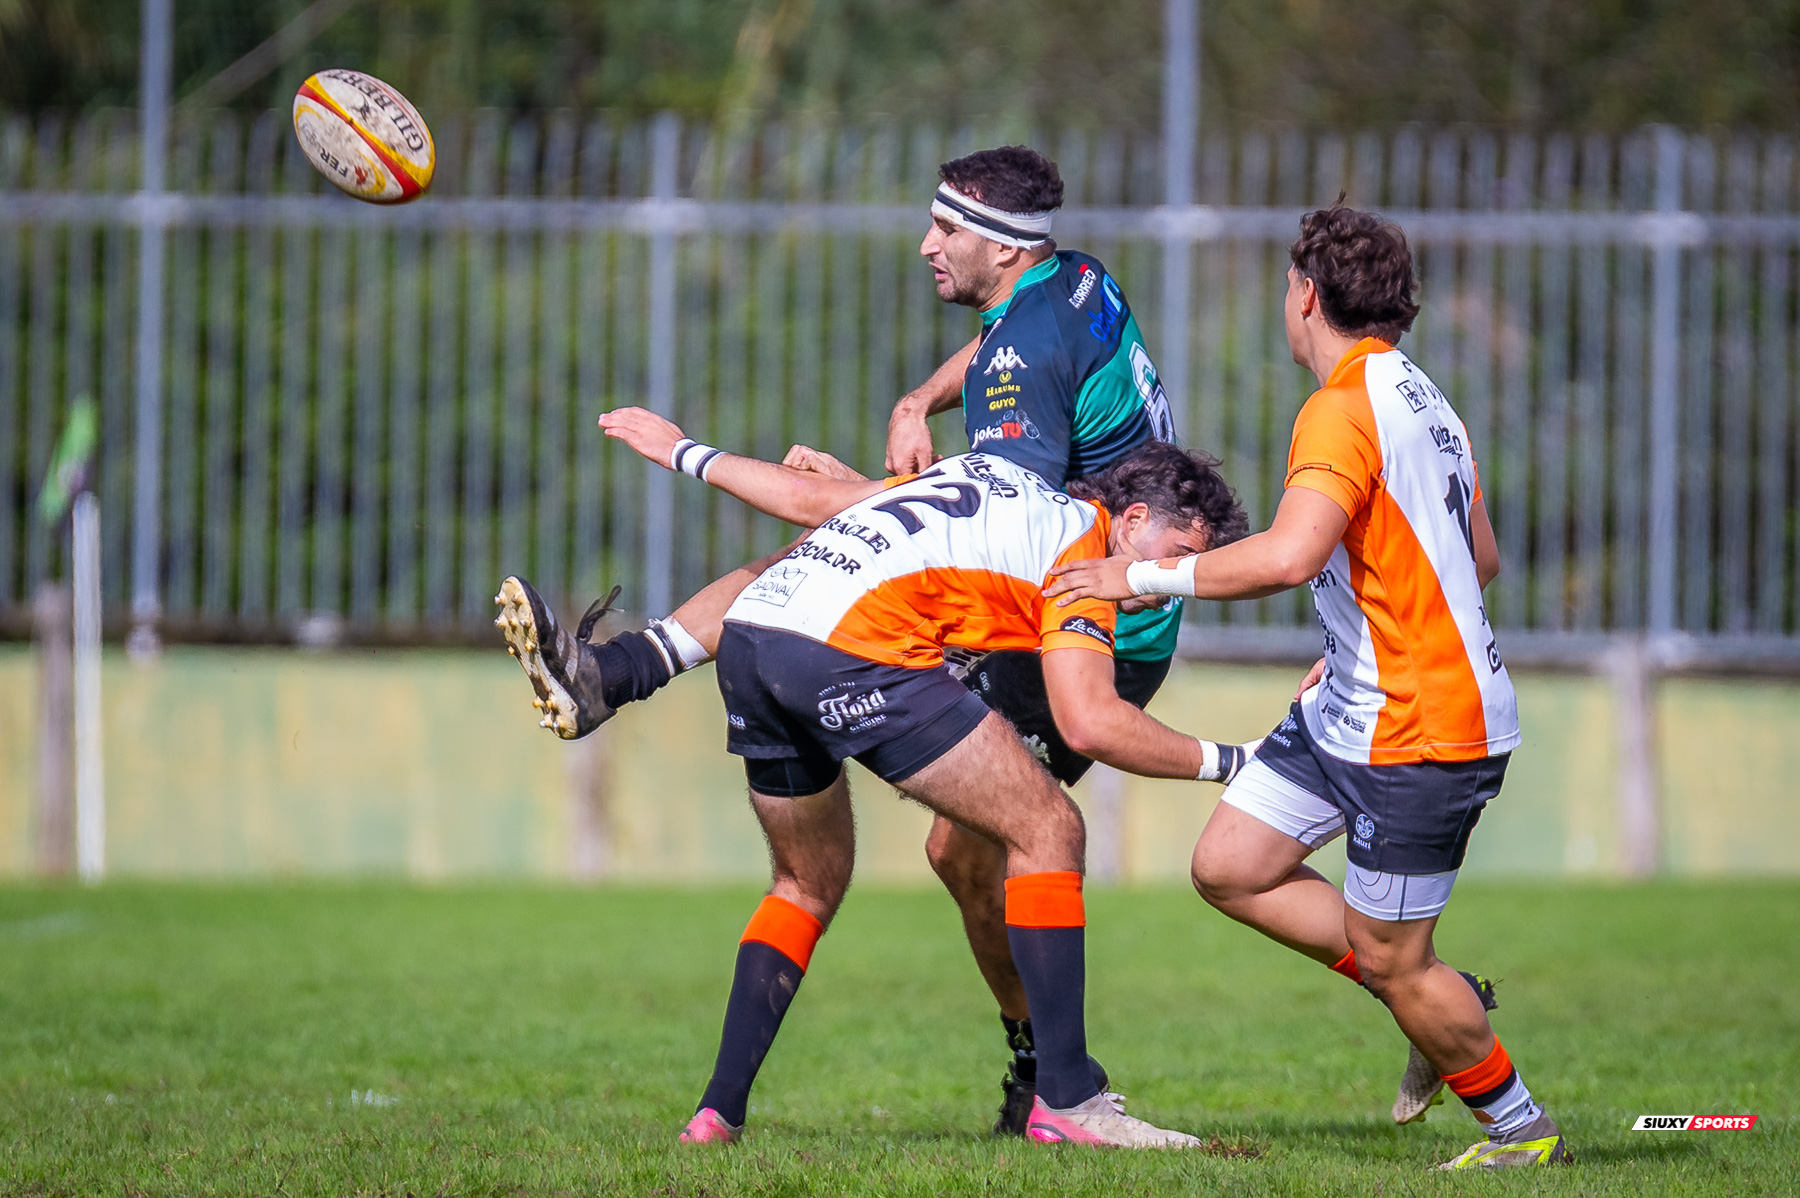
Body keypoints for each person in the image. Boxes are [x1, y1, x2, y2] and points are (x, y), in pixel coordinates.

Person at [499, 144, 1253, 1133]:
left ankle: (1044, 1080)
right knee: (989, 842)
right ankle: (1056, 1084)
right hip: (965, 606)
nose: (924, 245)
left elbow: (993, 505)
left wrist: (815, 481)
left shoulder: (1030, 400)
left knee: (968, 844)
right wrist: (913, 406)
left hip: (1094, 608)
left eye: (947, 231)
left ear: (1006, 248)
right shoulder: (1073, 282)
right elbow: (979, 454)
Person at [1044, 204, 1567, 1170]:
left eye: (1287, 286)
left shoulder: (1342, 405)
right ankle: (1416, 987)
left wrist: (1139, 575)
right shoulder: (1428, 401)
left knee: (1396, 958)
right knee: (1232, 864)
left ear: (1308, 296)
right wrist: (1359, 629)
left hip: (1420, 726)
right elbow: (1477, 557)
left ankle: (1519, 1129)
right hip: (1354, 705)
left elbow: (1288, 556)